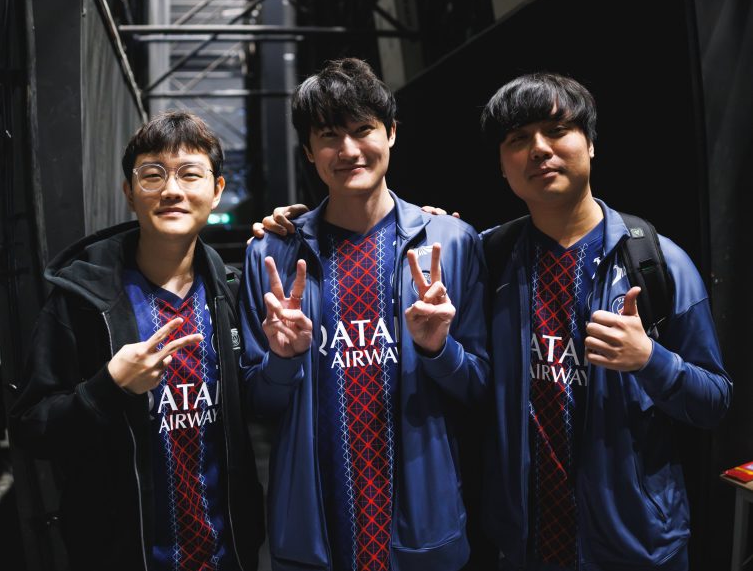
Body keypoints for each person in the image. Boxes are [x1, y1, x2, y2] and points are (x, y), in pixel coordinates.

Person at [252, 71, 733, 571]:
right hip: (522, 541)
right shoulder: (489, 254)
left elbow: (715, 401)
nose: (539, 150)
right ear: (503, 165)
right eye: (518, 139)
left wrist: (650, 360)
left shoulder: (655, 263)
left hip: (636, 544)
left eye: (557, 131)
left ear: (591, 143)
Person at [240, 58, 489, 571]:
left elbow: (483, 389)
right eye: (329, 136)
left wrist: (439, 350)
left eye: (363, 130)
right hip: (314, 533)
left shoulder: (452, 244)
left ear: (391, 132)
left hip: (423, 528)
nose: (349, 150)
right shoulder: (271, 255)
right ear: (308, 151)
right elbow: (257, 403)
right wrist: (283, 360)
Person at [10, 112, 264, 571]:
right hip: (123, 555)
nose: (172, 190)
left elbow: (263, 404)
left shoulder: (230, 291)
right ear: (130, 192)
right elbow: (31, 427)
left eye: (190, 174)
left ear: (217, 190)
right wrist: (108, 386)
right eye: (152, 175)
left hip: (227, 555)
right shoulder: (82, 300)